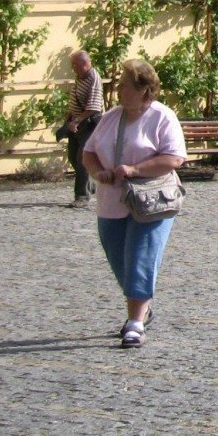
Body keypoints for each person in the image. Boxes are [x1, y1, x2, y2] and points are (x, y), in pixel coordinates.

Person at [81, 58, 186, 350]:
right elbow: (88, 153)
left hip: (152, 203)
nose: (118, 91)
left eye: (124, 86)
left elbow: (175, 159)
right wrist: (96, 171)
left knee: (140, 255)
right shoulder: (110, 117)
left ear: (144, 89)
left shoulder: (162, 117)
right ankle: (142, 305)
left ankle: (135, 323)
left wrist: (135, 169)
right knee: (121, 262)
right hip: (111, 202)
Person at [61, 49, 105, 208]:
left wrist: (77, 120)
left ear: (85, 64)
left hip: (90, 123)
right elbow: (76, 99)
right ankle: (90, 184)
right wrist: (69, 118)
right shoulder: (80, 77)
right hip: (77, 122)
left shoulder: (93, 77)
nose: (73, 67)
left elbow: (93, 107)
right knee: (73, 156)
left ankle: (81, 196)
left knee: (82, 160)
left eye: (75, 64)